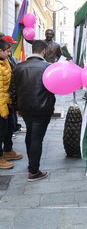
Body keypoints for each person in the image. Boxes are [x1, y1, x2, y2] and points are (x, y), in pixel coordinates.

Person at [11, 40, 56, 181]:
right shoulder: (48, 67)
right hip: (42, 109)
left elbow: (13, 90)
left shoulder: (19, 67)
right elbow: (53, 89)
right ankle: (34, 171)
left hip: (25, 108)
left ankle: (32, 163)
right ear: (44, 50)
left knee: (30, 133)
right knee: (36, 137)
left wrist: (16, 107)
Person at [0, 39, 23, 169]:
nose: (9, 54)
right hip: (1, 104)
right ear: (0, 51)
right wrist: (3, 111)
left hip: (7, 102)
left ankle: (8, 150)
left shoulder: (5, 61)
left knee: (9, 128)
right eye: (7, 51)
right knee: (1, 131)